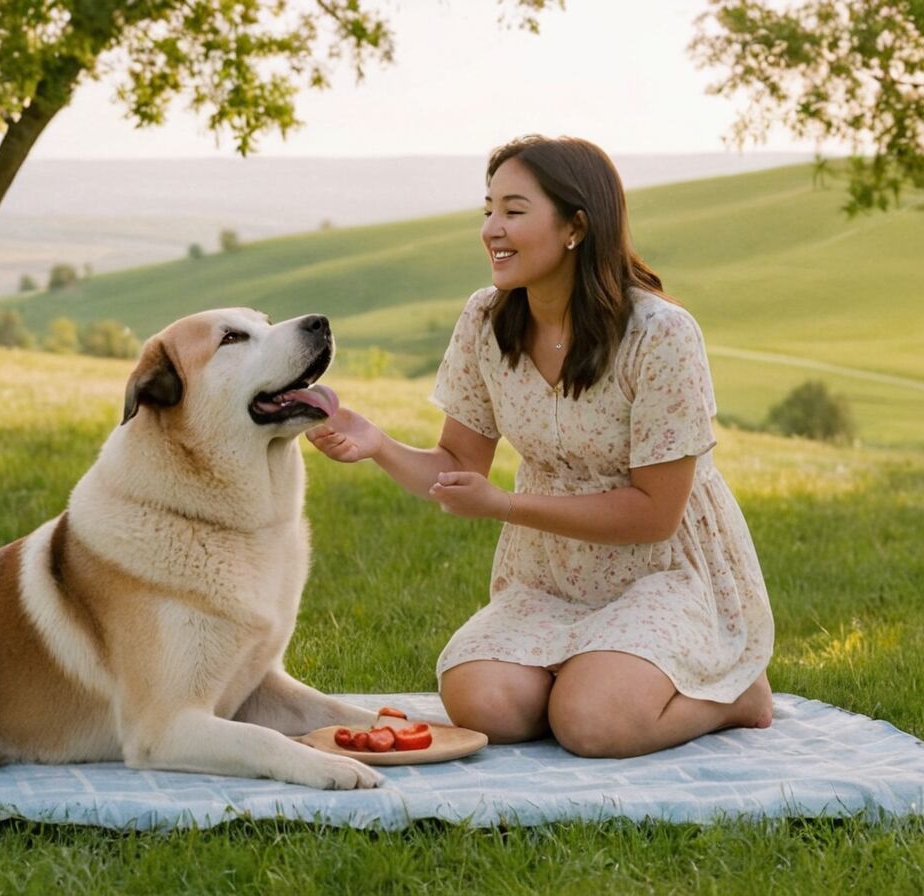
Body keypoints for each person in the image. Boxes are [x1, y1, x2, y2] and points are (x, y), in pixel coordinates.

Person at [307, 135, 774, 758]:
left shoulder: (659, 333)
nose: (492, 229)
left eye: (514, 211)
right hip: (549, 578)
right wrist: (379, 446)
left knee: (594, 724)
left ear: (576, 226)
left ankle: (734, 696)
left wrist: (506, 506)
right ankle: (593, 670)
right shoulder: (487, 320)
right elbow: (456, 469)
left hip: (664, 574)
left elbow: (654, 514)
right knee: (481, 703)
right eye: (488, 209)